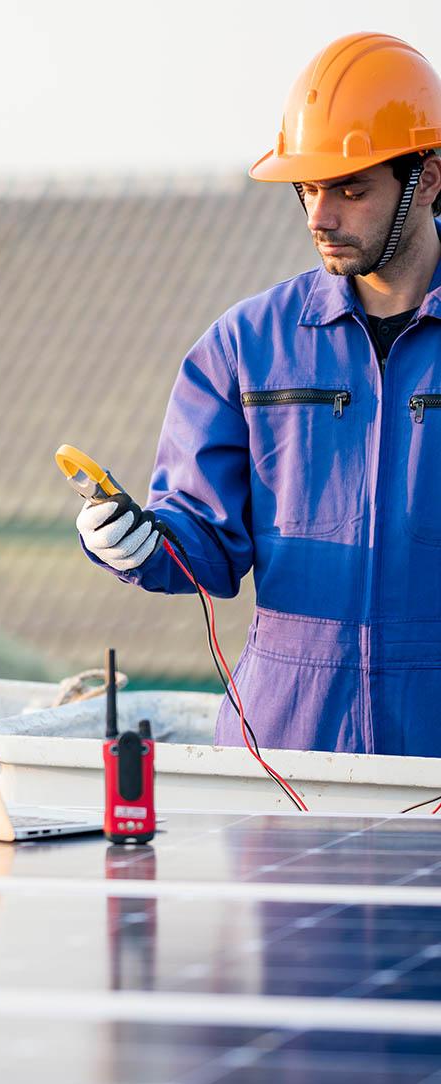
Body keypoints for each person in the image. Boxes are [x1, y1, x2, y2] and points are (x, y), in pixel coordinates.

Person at [77, 32, 441, 756]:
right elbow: (205, 542)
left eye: (350, 188)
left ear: (427, 179)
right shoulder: (245, 346)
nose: (320, 216)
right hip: (284, 747)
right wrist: (137, 543)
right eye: (307, 189)